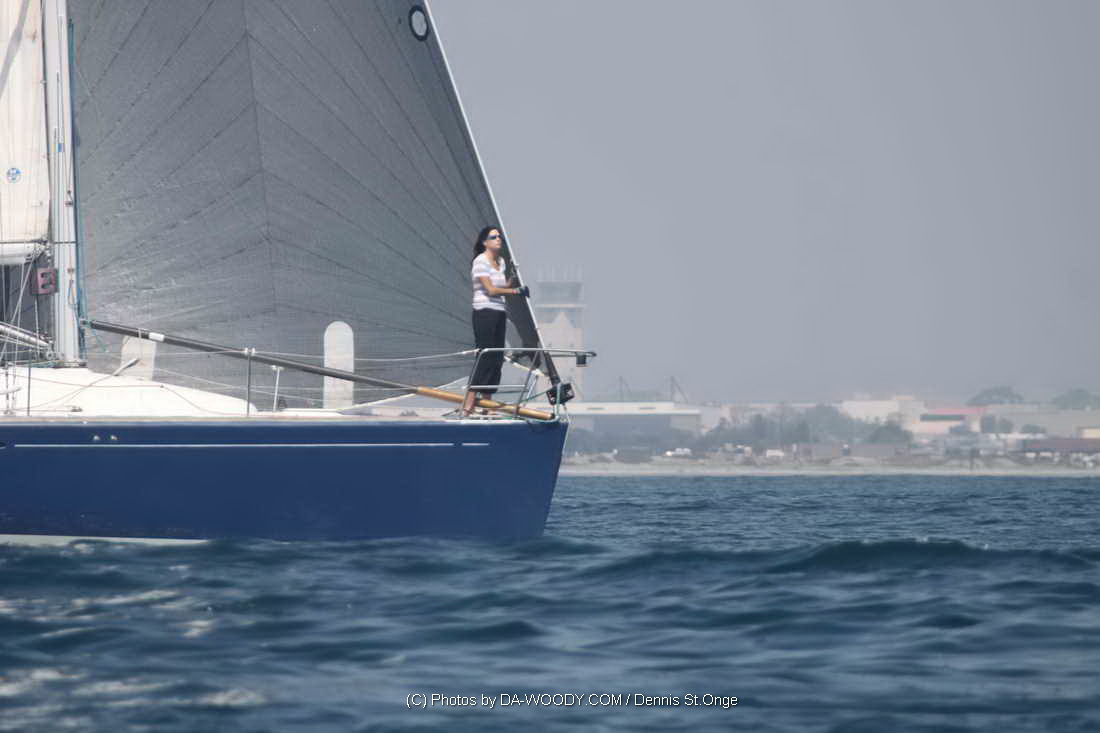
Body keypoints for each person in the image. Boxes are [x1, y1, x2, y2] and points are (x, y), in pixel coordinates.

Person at [462, 225, 528, 416]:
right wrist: (516, 291)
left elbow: (502, 287)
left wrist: (512, 279)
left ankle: (487, 404)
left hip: (499, 312)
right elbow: (491, 290)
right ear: (485, 242)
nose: (498, 239)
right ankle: (468, 404)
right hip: (484, 311)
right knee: (485, 355)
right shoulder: (480, 261)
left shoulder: (501, 262)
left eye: (499, 236)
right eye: (493, 237)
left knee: (497, 358)